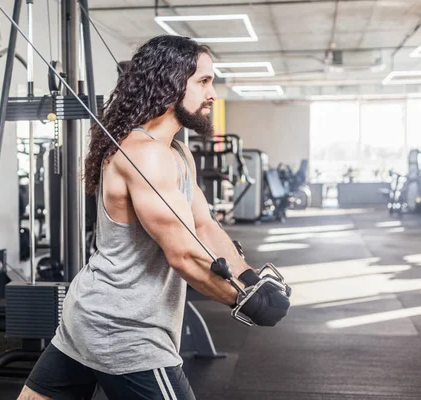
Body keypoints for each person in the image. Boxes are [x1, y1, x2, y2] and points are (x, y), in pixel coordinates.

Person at [17, 35, 290, 400]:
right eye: (203, 81)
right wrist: (245, 301)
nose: (213, 94)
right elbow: (183, 254)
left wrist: (249, 278)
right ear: (171, 83)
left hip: (90, 318)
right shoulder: (145, 155)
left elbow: (205, 227)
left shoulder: (176, 152)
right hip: (126, 331)